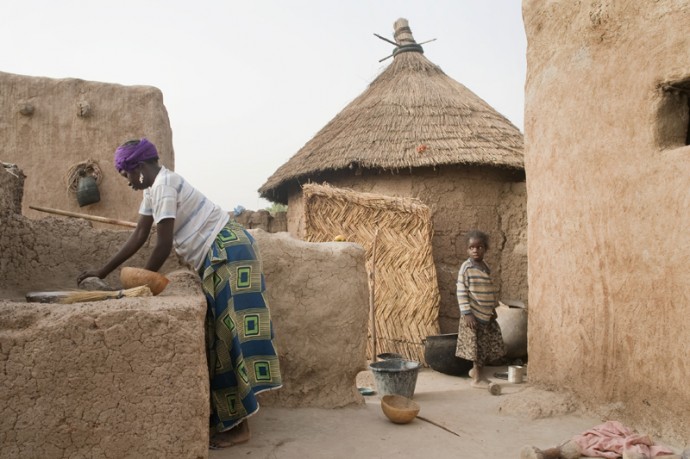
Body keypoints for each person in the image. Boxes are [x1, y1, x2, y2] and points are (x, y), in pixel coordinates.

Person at [77, 138, 282, 448]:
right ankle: (230, 419)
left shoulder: (165, 186)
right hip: (221, 254)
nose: (128, 182)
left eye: (127, 174)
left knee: (229, 337)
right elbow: (139, 234)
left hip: (230, 252)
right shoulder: (153, 188)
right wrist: (101, 271)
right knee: (220, 335)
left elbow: (162, 243)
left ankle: (239, 428)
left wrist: (143, 284)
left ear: (141, 168)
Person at [455, 230, 505, 388]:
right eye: (472, 247)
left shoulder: (485, 267)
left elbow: (488, 289)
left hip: (485, 314)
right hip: (473, 316)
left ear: (485, 249)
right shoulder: (466, 268)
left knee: (485, 346)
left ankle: (475, 372)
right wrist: (467, 313)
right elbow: (461, 291)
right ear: (467, 250)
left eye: (479, 247)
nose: (475, 250)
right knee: (477, 348)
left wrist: (492, 308)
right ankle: (478, 379)